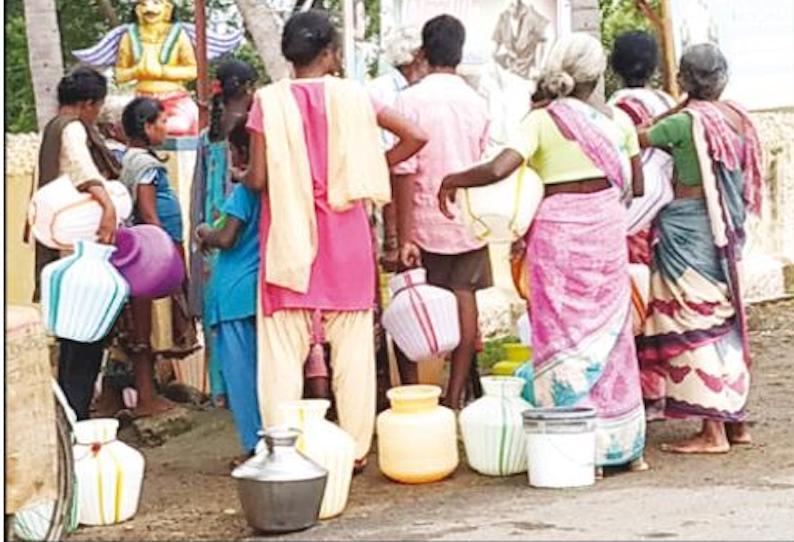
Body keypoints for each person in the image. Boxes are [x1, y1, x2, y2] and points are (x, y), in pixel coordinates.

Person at [439, 33, 648, 474]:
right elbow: (639, 187)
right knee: (611, 335)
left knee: (561, 332)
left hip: (556, 236)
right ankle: (624, 448)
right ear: (598, 74)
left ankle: (572, 446)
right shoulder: (620, 124)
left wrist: (453, 180)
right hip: (606, 231)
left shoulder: (541, 120)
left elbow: (499, 169)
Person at [243, 9, 426, 471]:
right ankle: (355, 450)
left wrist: (246, 176)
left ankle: (283, 450)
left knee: (282, 353)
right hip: (345, 240)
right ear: (330, 52)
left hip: (288, 239)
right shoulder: (356, 97)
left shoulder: (267, 100)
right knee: (354, 353)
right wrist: (369, 165)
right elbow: (416, 136)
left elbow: (259, 177)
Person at [637, 44, 762, 454]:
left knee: (695, 325)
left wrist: (676, 106)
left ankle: (712, 433)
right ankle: (735, 423)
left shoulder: (684, 122)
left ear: (683, 81)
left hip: (687, 230)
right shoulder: (738, 119)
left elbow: (637, 139)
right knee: (725, 319)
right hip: (726, 232)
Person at [390, 14, 491, 409]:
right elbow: (481, 158)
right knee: (465, 302)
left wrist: (400, 235)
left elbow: (402, 170)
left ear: (425, 51)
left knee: (407, 306)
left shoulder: (409, 100)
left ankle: (413, 395)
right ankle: (452, 399)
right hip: (466, 219)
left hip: (418, 222)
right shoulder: (476, 101)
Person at [28, 67, 121, 420]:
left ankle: (69, 413)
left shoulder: (52, 127)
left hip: (61, 253)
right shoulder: (72, 129)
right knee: (85, 336)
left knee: (70, 339)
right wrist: (108, 205)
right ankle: (76, 417)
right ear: (86, 104)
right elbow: (84, 173)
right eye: (97, 106)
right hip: (79, 253)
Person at [608, 31, 676, 420]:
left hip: (631, 219)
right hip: (664, 215)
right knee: (656, 305)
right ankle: (663, 387)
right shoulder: (667, 102)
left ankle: (639, 392)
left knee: (631, 307)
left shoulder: (618, 109)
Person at [119, 97, 195, 417]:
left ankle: (142, 392)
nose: (165, 128)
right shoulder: (144, 165)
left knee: (142, 323)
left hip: (147, 250)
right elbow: (149, 213)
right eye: (161, 122)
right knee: (143, 326)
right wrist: (165, 254)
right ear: (146, 127)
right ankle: (147, 399)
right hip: (152, 252)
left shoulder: (137, 159)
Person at [189, 59, 258, 408]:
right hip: (246, 221)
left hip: (213, 223)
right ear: (248, 88)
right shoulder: (253, 131)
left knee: (219, 310)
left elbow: (198, 190)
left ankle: (221, 389)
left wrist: (199, 233)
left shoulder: (208, 136)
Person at [195, 183, 262, 465]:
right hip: (261, 290)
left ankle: (255, 446)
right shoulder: (281, 190)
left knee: (241, 376)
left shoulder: (244, 192)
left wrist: (203, 232)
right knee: (265, 374)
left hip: (233, 293)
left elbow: (227, 238)